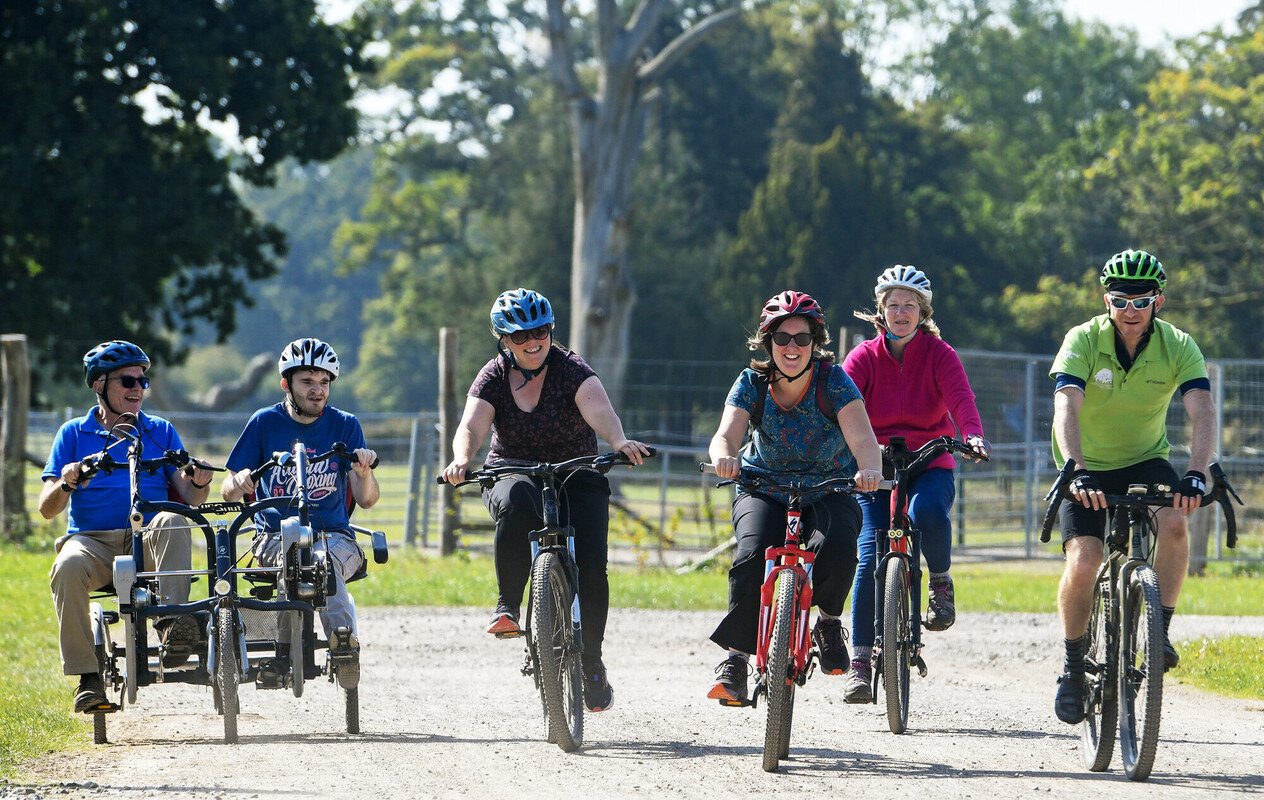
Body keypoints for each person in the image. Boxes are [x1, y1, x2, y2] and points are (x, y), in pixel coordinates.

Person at [441, 288, 651, 713]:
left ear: (551, 331)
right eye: (521, 336)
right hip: (512, 470)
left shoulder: (572, 369)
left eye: (540, 331)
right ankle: (507, 606)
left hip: (576, 470)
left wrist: (618, 441)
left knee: (591, 567)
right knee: (517, 502)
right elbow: (471, 426)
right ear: (504, 340)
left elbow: (599, 409)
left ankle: (591, 662)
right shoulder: (492, 376)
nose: (533, 341)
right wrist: (462, 459)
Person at [1049, 249, 1214, 724]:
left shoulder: (1178, 344)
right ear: (1107, 300)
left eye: (1141, 301)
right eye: (1120, 300)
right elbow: (1067, 405)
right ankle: (1073, 667)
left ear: (1157, 301)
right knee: (1085, 559)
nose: (1130, 310)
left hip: (1146, 460)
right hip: (1086, 466)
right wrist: (1076, 469)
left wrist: (1197, 471)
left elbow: (1202, 408)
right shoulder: (1083, 339)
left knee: (1176, 523)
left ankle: (1160, 631)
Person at [706, 290, 883, 706]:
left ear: (814, 343)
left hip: (828, 488)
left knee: (839, 544)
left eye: (802, 339)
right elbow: (725, 435)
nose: (792, 347)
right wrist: (724, 458)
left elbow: (863, 440)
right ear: (767, 342)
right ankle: (736, 661)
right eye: (782, 338)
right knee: (751, 556)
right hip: (763, 487)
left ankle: (828, 621)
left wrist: (869, 470)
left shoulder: (834, 381)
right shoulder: (752, 383)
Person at [840, 266, 989, 703]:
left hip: (929, 461)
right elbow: (840, 406)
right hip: (875, 466)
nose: (901, 312)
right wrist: (839, 448)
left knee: (926, 512)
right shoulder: (863, 357)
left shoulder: (940, 354)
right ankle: (860, 663)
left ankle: (940, 582)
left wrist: (973, 435)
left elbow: (962, 400)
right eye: (893, 305)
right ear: (881, 311)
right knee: (870, 553)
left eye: (909, 305)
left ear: (923, 312)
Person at [40, 340, 212, 713]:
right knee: (66, 566)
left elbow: (191, 496)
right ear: (98, 384)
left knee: (172, 518)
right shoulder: (73, 433)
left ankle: (174, 627)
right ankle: (88, 678)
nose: (138, 389)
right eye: (127, 381)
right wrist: (66, 483)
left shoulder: (159, 430)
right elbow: (46, 508)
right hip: (93, 543)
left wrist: (200, 481)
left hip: (148, 538)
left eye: (142, 382)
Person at [220, 338, 379, 689]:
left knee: (321, 560)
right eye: (307, 381)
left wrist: (364, 473)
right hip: (273, 538)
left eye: (324, 382)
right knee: (294, 556)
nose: (317, 390)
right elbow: (227, 489)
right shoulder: (264, 423)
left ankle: (343, 644)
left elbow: (367, 500)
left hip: (334, 538)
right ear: (286, 384)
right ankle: (282, 652)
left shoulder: (346, 424)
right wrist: (239, 481)